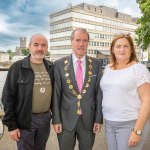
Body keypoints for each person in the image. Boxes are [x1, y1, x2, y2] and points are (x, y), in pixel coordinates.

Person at [52, 28, 103, 150]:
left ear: (88, 43)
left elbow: (99, 94)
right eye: (78, 40)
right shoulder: (59, 64)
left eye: (85, 40)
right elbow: (56, 94)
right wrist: (56, 120)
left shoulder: (96, 64)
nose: (81, 44)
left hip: (89, 119)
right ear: (71, 42)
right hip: (65, 120)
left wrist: (98, 119)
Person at [2, 34, 54, 150]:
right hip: (25, 119)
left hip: (45, 119)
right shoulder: (17, 68)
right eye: (36, 45)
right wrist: (12, 126)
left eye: (43, 45)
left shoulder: (51, 67)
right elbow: (7, 98)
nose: (40, 48)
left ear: (46, 48)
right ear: (29, 47)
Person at [100, 33, 150, 150]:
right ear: (112, 49)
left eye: (126, 46)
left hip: (130, 123)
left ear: (131, 49)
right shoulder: (108, 68)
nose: (122, 49)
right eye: (118, 46)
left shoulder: (139, 69)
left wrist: (137, 131)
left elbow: (147, 102)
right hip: (110, 123)